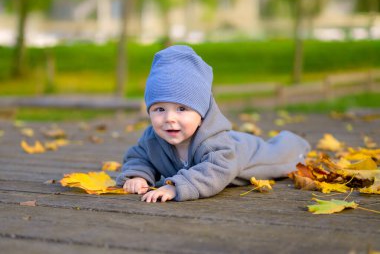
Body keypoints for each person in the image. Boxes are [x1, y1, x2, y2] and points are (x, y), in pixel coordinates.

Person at [116, 45, 310, 203]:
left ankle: (294, 143)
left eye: (182, 109)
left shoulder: (215, 143)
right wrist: (138, 176)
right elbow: (139, 157)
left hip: (248, 154)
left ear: (202, 113)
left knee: (280, 154)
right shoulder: (152, 139)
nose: (169, 118)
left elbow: (217, 169)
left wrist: (176, 186)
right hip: (229, 148)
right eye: (159, 109)